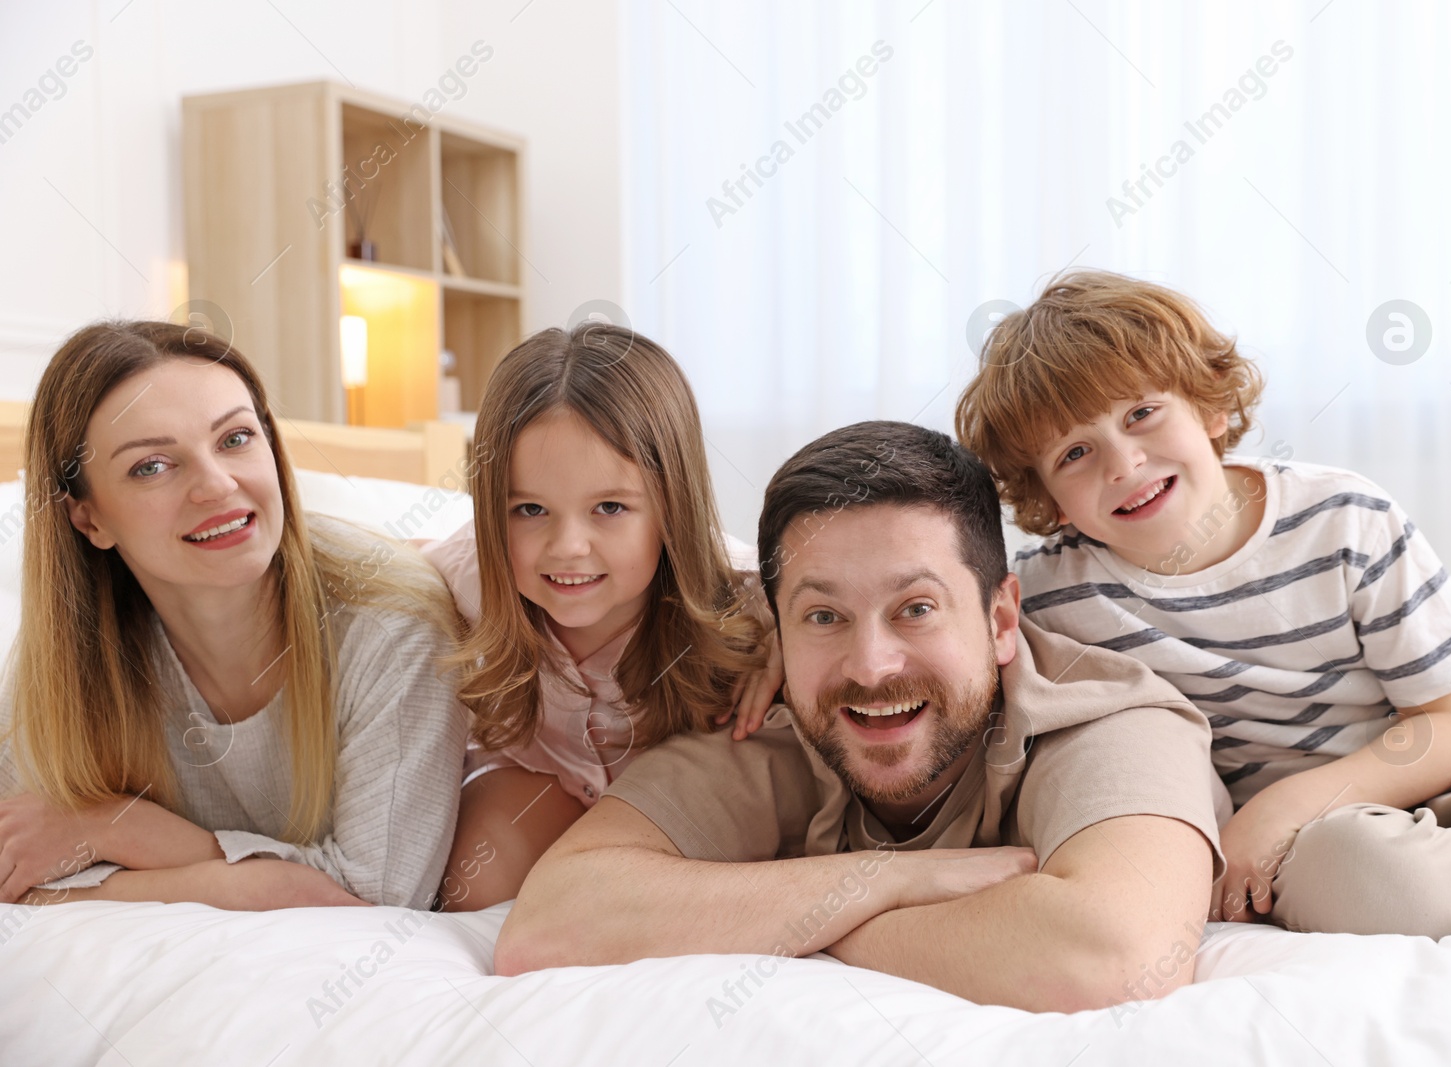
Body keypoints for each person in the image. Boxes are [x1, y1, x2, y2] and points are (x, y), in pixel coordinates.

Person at [495, 420, 1222, 1014]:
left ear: (1001, 617)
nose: (871, 665)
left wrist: (809, 926)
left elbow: (1112, 959)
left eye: (915, 609)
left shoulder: (1113, 717)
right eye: (823, 615)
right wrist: (882, 879)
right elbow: (549, 922)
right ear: (777, 634)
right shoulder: (773, 723)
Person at [955, 268, 1451, 937]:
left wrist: (1278, 807)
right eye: (1075, 453)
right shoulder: (1054, 602)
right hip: (1328, 838)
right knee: (1379, 887)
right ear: (1050, 501)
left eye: (1141, 414)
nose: (1122, 465)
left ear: (1210, 408)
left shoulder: (1342, 517)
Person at [0, 321, 468, 910]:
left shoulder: (390, 623)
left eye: (235, 439)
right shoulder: (66, 669)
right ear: (89, 519)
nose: (217, 486)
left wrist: (118, 830)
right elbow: (22, 864)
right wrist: (247, 878)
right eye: (151, 466)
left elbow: (380, 895)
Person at [422, 323, 774, 910]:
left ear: (671, 506)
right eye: (530, 509)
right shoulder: (460, 576)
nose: (567, 547)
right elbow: (381, 575)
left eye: (609, 508)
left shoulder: (745, 600)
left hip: (667, 792)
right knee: (474, 895)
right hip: (538, 778)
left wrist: (792, 630)